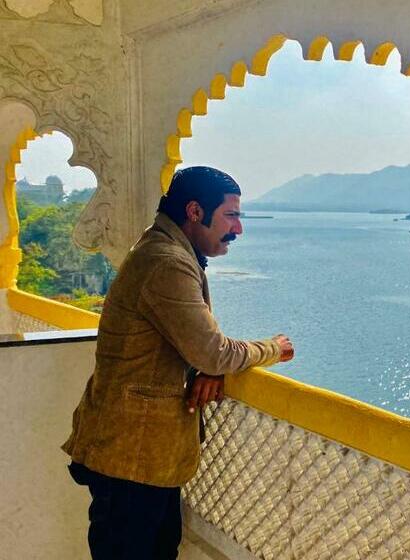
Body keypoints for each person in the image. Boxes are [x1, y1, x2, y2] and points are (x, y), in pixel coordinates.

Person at [61, 166, 294, 559]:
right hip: (131, 458)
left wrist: (206, 368)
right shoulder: (167, 262)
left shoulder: (163, 249)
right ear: (194, 211)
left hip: (136, 455)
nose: (238, 229)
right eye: (231, 216)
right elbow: (213, 350)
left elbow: (192, 344)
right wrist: (272, 348)